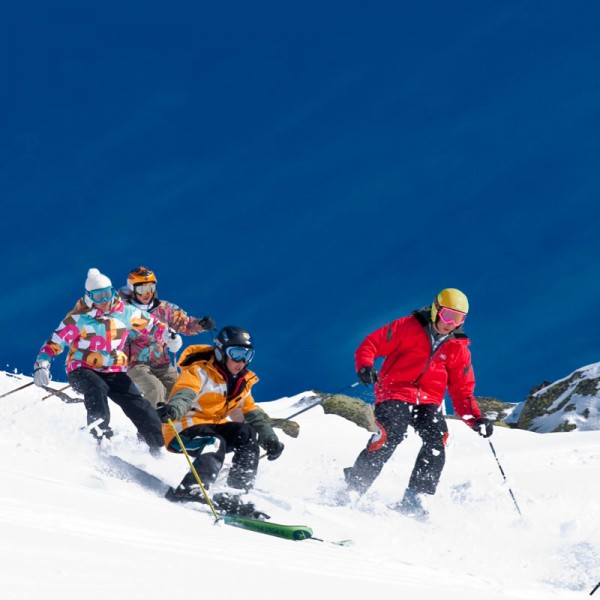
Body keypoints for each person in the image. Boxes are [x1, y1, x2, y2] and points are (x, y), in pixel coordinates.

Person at [343, 288, 493, 518]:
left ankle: (415, 499)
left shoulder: (458, 349)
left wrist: (476, 419)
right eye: (447, 316)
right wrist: (365, 365)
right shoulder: (407, 327)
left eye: (458, 319)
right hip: (395, 391)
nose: (451, 323)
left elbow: (462, 391)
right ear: (435, 310)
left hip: (428, 401)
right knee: (391, 433)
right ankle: (354, 487)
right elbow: (370, 344)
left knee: (437, 439)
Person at [33, 268, 182, 451]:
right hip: (81, 369)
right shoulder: (79, 318)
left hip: (113, 369)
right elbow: (54, 342)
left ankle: (156, 444)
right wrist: (42, 364)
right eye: (98, 297)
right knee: (97, 387)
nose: (104, 301)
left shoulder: (126, 312)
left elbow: (152, 324)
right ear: (89, 298)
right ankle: (99, 435)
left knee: (137, 402)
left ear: (113, 292)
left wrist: (169, 335)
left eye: (107, 295)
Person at [157, 325, 284, 505]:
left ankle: (235, 494)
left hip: (213, 427)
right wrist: (173, 409)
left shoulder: (242, 383)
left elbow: (252, 414)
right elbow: (185, 394)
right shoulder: (199, 371)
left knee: (247, 433)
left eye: (247, 356)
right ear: (220, 352)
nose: (241, 362)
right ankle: (191, 488)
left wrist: (270, 439)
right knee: (215, 441)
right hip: (183, 427)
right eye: (236, 353)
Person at [119, 266, 215, 408]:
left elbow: (185, 324)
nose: (147, 293)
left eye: (150, 288)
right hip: (135, 365)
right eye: (141, 289)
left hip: (162, 364)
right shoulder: (124, 311)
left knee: (180, 391)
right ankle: (151, 427)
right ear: (132, 289)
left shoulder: (164, 309)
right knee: (156, 389)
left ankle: (182, 426)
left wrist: (201, 324)